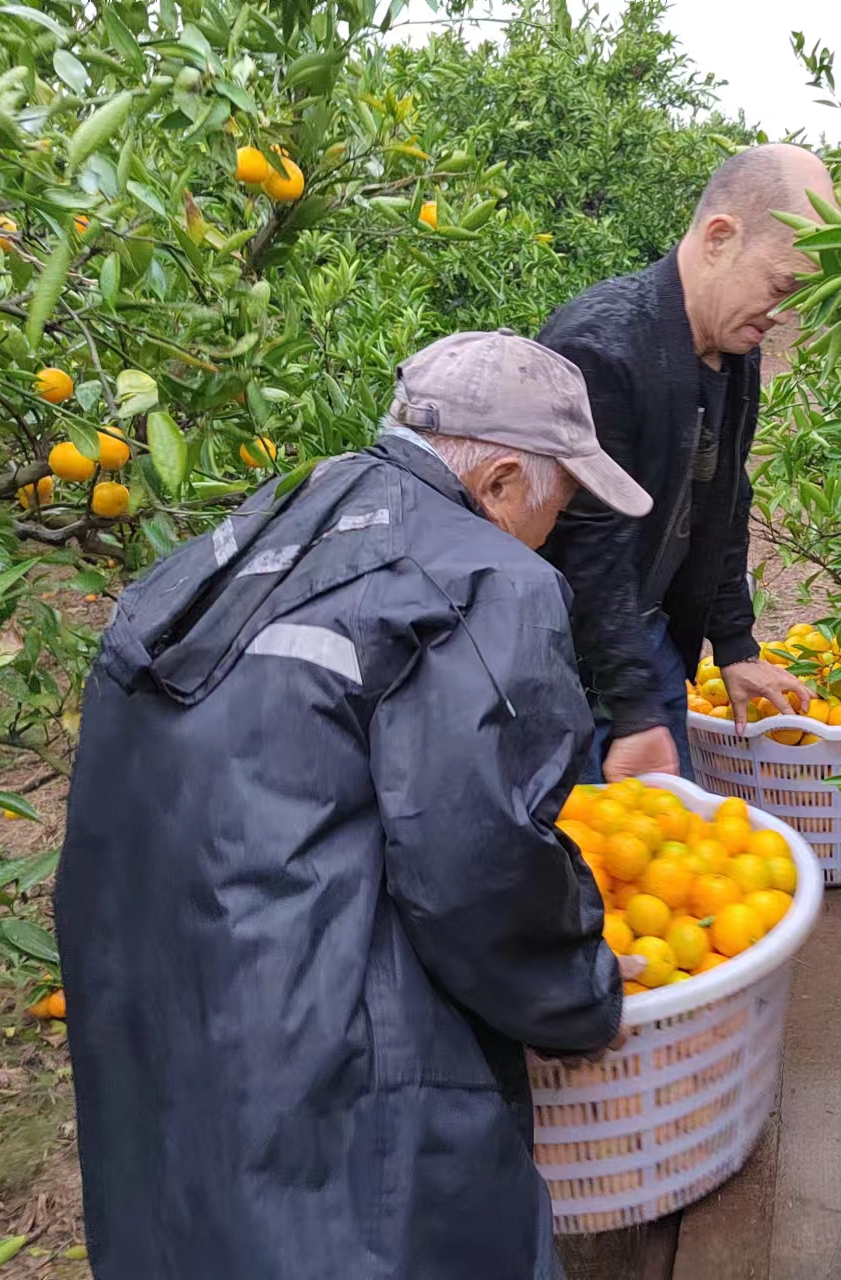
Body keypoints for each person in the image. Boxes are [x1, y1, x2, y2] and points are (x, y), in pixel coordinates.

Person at [55, 331, 653, 1280]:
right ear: (501, 481)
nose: (557, 529)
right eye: (561, 501)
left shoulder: (279, 516)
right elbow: (477, 865)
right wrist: (582, 992)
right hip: (319, 1024)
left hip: (160, 989)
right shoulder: (487, 578)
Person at [539, 143, 834, 783]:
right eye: (782, 285)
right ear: (720, 237)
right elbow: (587, 549)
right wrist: (636, 707)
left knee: (669, 848)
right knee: (590, 859)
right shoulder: (601, 349)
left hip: (648, 639)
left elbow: (725, 502)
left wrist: (734, 645)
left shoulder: (734, 350)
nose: (784, 317)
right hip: (562, 657)